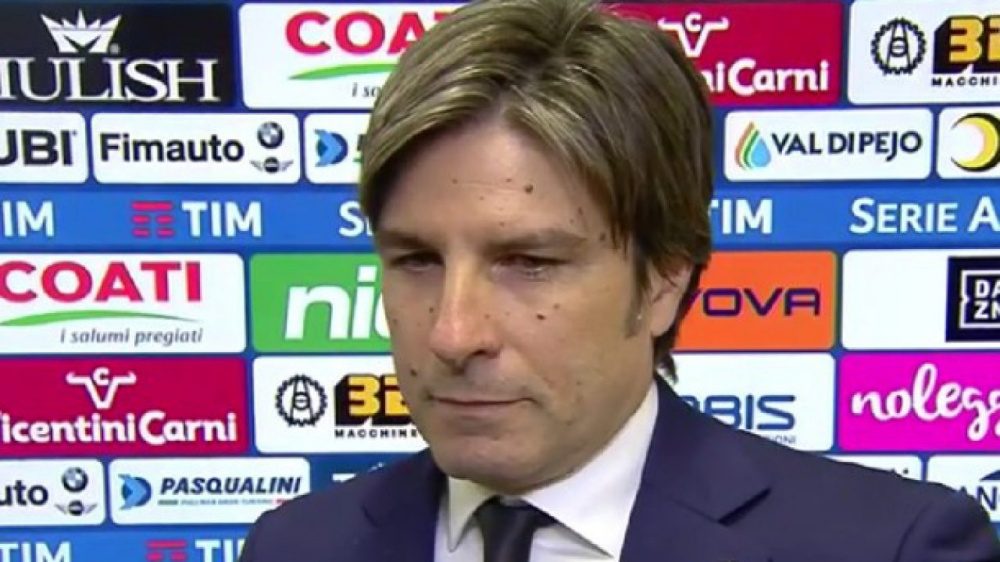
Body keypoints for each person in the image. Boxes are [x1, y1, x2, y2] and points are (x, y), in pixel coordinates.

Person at [238, 0, 1000, 560]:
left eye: (529, 263)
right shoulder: (295, 547)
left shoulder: (889, 547)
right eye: (416, 260)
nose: (453, 333)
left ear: (665, 278)